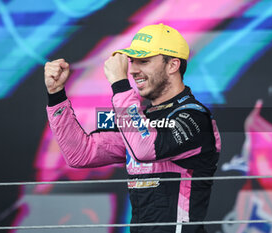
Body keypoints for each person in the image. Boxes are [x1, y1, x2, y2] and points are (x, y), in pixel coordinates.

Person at [44, 23, 221, 233]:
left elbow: (145, 148)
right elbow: (80, 154)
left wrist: (120, 85)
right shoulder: (139, 120)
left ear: (173, 65)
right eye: (132, 62)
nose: (134, 70)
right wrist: (56, 95)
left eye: (144, 61)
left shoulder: (194, 117)